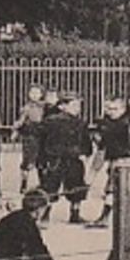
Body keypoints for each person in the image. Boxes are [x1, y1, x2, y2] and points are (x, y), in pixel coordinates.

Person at [37, 93, 90, 224]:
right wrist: (42, 159)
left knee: (76, 186)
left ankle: (75, 214)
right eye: (74, 105)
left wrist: (85, 153)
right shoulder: (51, 121)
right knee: (50, 186)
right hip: (56, 159)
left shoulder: (80, 122)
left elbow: (85, 140)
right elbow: (42, 141)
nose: (77, 108)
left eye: (78, 105)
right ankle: (45, 214)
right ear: (63, 106)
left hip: (74, 159)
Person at [88, 97, 130, 229]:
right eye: (109, 108)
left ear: (123, 109)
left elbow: (108, 145)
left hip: (123, 160)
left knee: (113, 189)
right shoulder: (111, 123)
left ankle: (104, 218)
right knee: (123, 189)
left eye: (115, 109)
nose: (111, 112)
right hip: (115, 160)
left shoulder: (123, 124)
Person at [12, 84, 47, 192]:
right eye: (32, 92)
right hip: (30, 135)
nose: (35, 95)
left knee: (42, 161)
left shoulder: (45, 107)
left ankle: (43, 184)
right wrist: (16, 130)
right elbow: (21, 121)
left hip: (42, 135)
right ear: (29, 94)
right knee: (27, 161)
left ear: (41, 94)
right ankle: (24, 183)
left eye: (37, 93)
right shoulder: (26, 108)